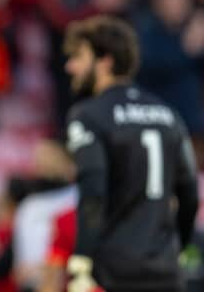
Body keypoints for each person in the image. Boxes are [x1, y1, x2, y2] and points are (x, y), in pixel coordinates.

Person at [62, 15, 200, 292]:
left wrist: (82, 257)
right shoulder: (168, 115)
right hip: (166, 270)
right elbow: (189, 194)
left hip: (115, 269)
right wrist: (178, 246)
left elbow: (93, 190)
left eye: (78, 56)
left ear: (105, 61)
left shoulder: (88, 115)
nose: (70, 66)